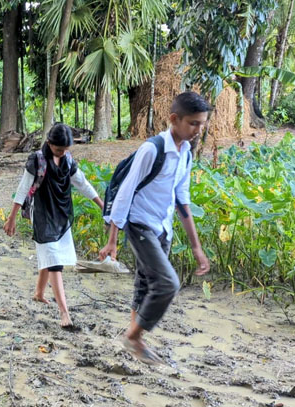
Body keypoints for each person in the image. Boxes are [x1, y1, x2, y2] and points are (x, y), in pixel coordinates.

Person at [99, 91, 211, 364]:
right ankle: (134, 336)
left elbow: (182, 201)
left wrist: (196, 247)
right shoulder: (153, 149)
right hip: (139, 224)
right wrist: (112, 239)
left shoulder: (185, 154)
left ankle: (133, 341)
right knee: (167, 283)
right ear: (174, 119)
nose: (199, 129)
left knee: (145, 282)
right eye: (194, 123)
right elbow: (125, 193)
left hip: (163, 228)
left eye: (202, 123)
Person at [3, 123, 103, 329]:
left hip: (60, 212)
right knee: (54, 260)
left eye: (66, 149)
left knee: (50, 255)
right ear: (49, 143)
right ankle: (64, 313)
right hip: (41, 212)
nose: (63, 152)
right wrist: (11, 217)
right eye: (59, 149)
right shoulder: (37, 160)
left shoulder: (67, 160)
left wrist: (101, 205)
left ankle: (39, 293)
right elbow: (23, 189)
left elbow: (82, 183)